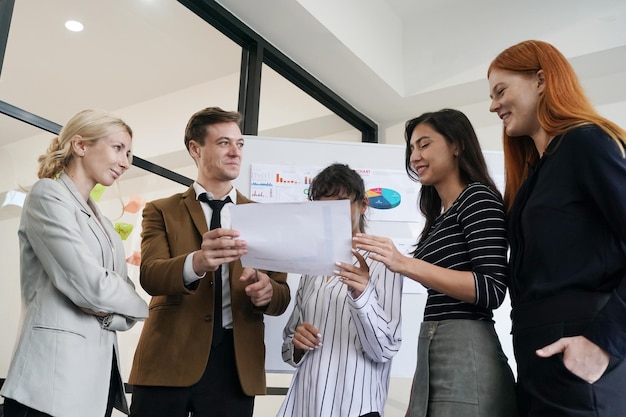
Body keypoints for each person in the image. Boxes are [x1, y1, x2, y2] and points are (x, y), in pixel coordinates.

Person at [488, 40, 626, 416]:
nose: (493, 105)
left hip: (581, 350)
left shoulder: (586, 142)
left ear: (541, 80)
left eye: (501, 91)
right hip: (537, 356)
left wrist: (603, 343)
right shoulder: (534, 174)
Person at [128, 107, 291, 417]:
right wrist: (198, 263)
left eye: (240, 144)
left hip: (236, 366)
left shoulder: (264, 216)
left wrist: (268, 292)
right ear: (195, 149)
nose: (235, 152)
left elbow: (281, 296)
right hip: (167, 360)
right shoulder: (160, 210)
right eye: (223, 143)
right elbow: (150, 276)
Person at [353, 109, 517, 416]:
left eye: (424, 144)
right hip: (432, 342)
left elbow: (491, 289)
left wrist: (404, 263)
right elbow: (438, 301)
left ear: (456, 145)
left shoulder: (478, 198)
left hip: (467, 349)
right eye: (412, 148)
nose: (415, 156)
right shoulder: (438, 217)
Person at [0, 109, 149, 417]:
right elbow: (90, 286)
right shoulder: (47, 196)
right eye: (118, 148)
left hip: (96, 389)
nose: (126, 162)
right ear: (81, 146)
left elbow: (121, 290)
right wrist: (132, 302)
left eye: (130, 153)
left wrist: (116, 311)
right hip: (49, 388)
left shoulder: (106, 225)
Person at [277, 163, 403, 417]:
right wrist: (298, 345)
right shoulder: (312, 265)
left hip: (355, 408)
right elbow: (288, 348)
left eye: (340, 203)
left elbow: (386, 349)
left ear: (363, 206)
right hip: (305, 406)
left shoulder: (382, 261)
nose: (330, 214)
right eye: (323, 206)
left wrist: (362, 296)